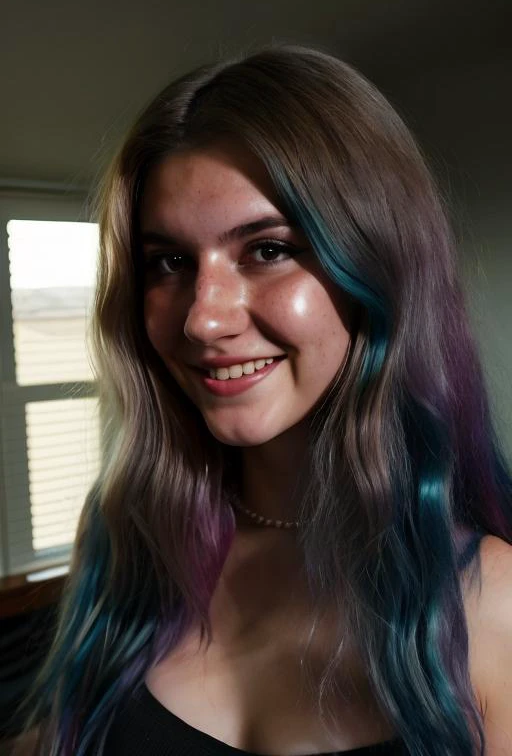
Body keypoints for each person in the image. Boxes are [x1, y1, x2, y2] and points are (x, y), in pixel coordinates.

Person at [22, 45, 512, 755]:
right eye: (169, 263)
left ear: (378, 267)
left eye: (268, 250)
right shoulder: (132, 537)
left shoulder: (491, 603)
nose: (202, 317)